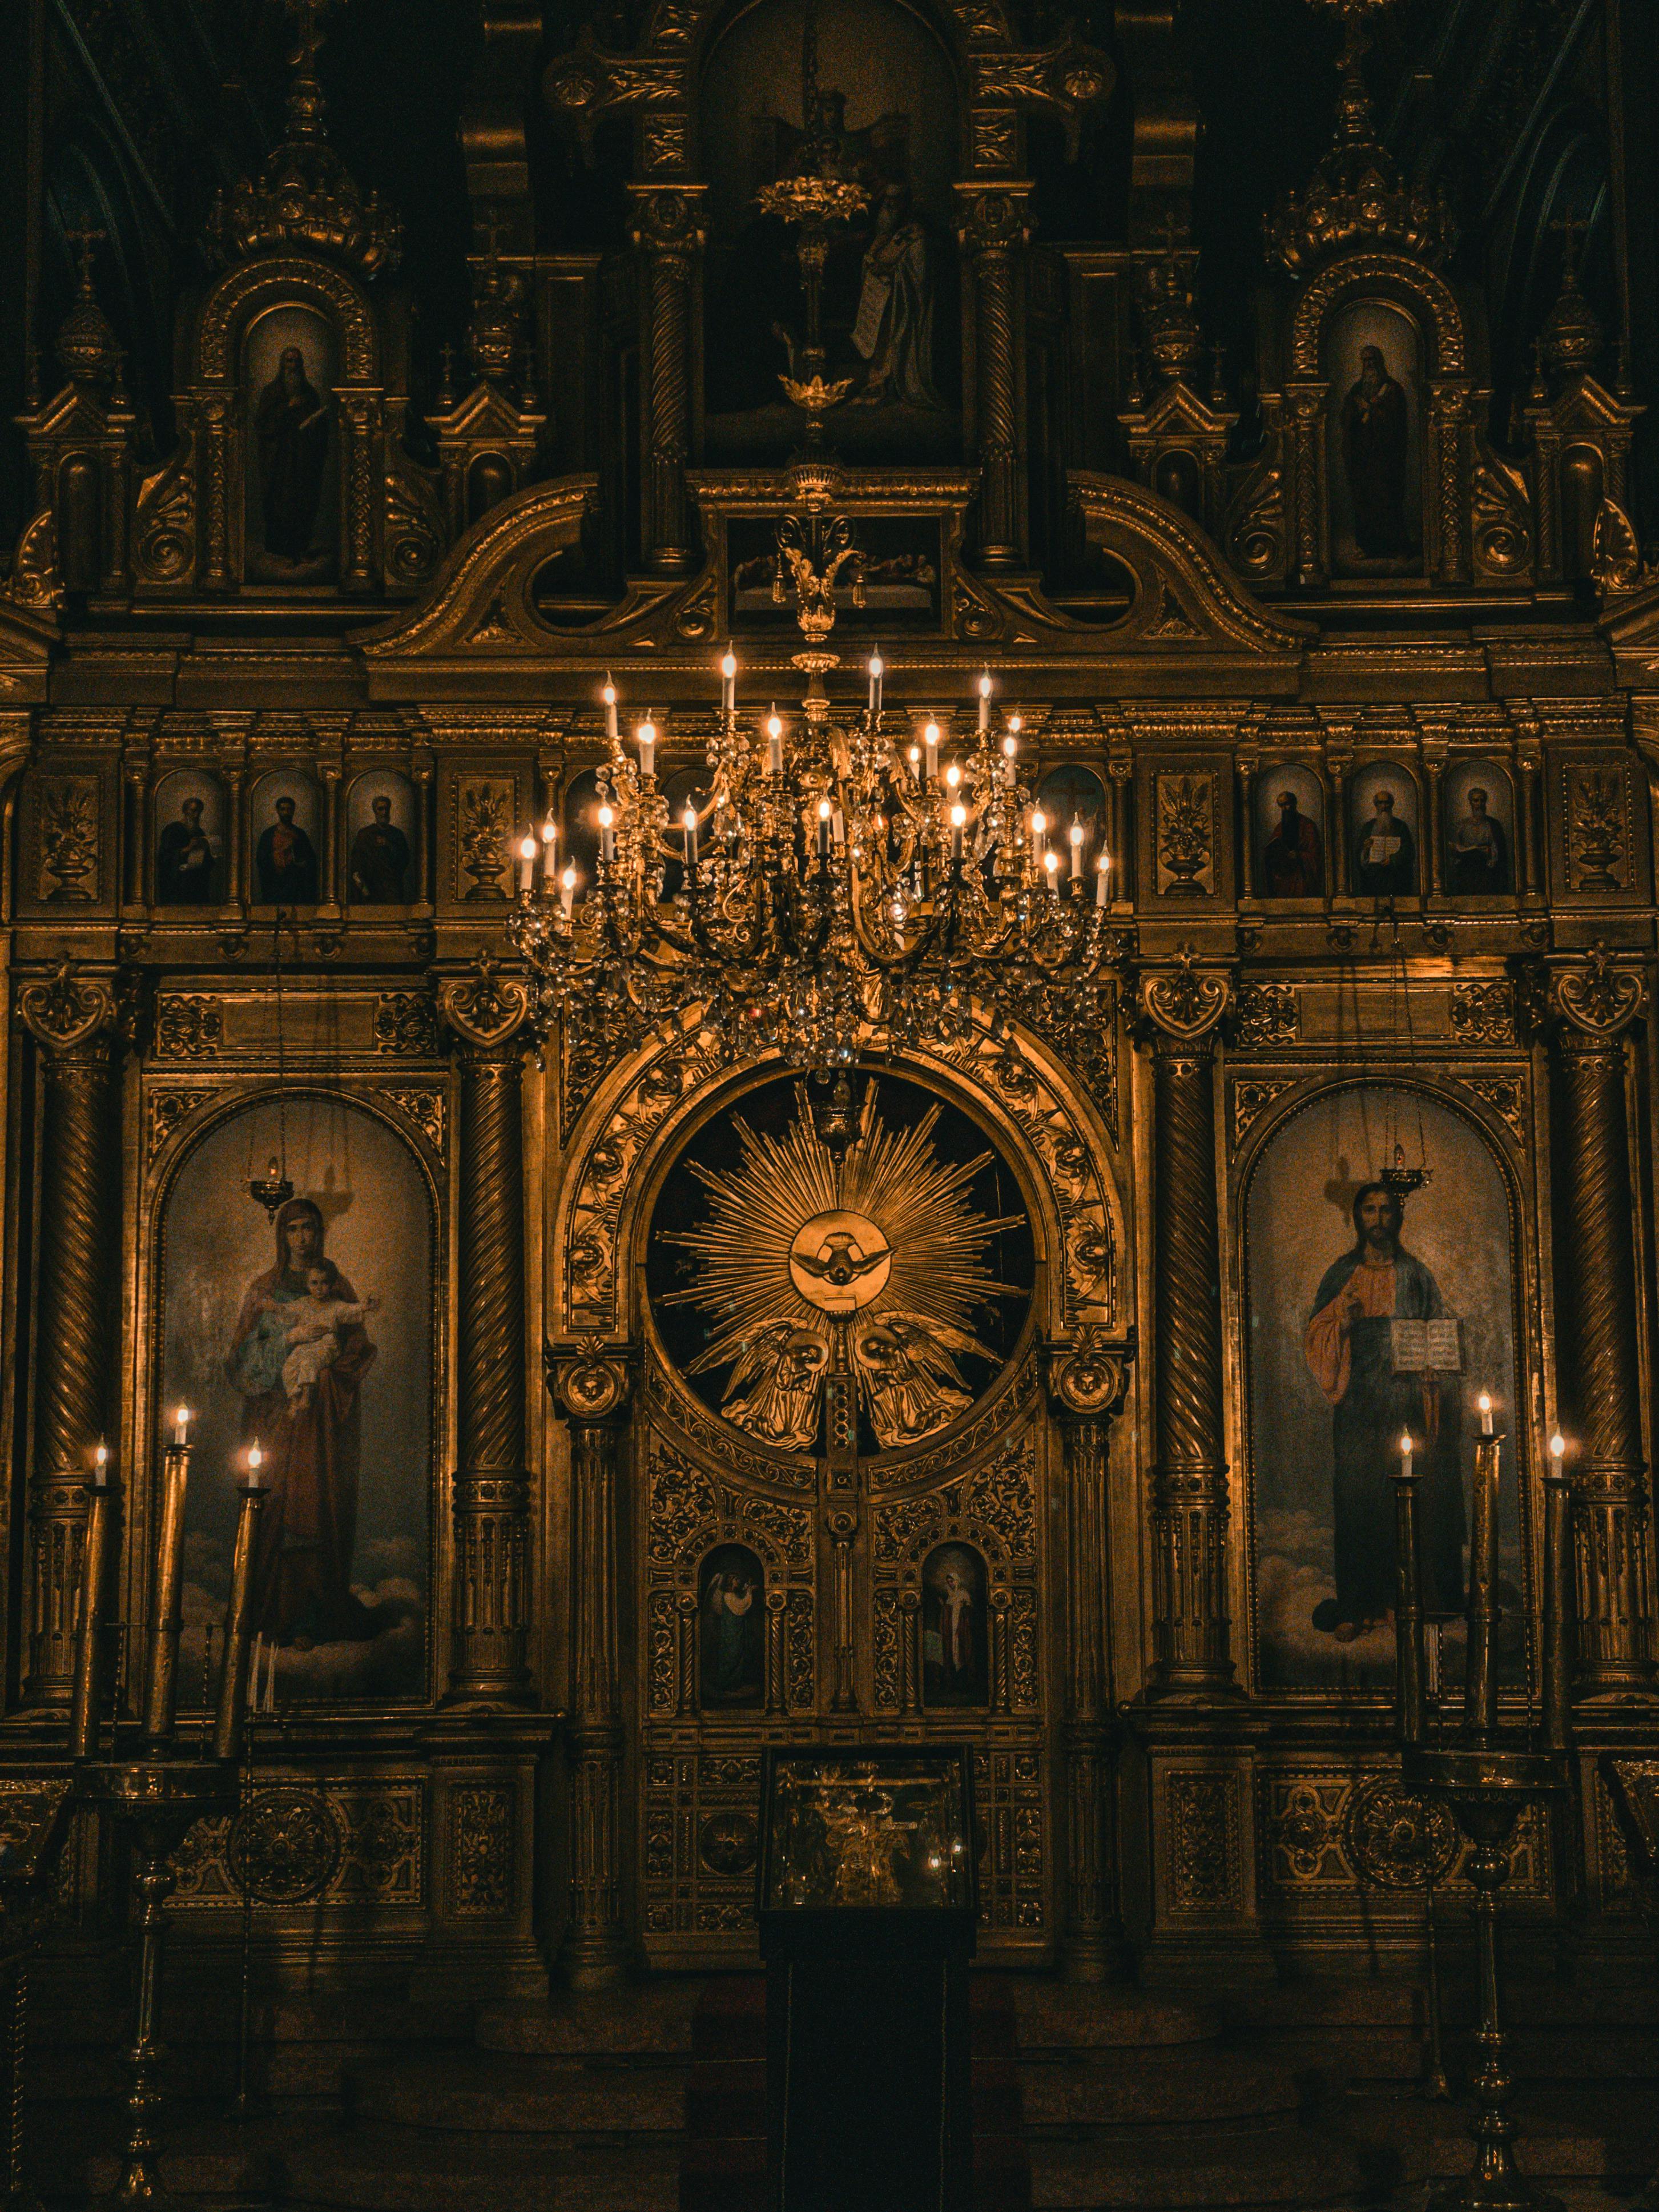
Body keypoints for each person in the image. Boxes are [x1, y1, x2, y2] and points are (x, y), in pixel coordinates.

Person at [1303, 1184, 1464, 1640]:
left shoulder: (1416, 1275)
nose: (1378, 1219)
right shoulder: (1342, 1273)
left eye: (1387, 1210)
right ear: (1358, 1218)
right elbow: (1317, 1335)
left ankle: (1410, 1602)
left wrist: (1435, 1363)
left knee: (1408, 1493)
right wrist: (1342, 1318)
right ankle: (1359, 1605)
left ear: (1398, 1217)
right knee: (1358, 1496)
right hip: (1358, 1404)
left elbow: (1437, 1331)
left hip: (1407, 1398)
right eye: (1370, 1210)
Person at [227, 1198, 377, 1647]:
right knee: (274, 1506)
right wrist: (288, 1342)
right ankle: (270, 1610)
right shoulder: (265, 1290)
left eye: (309, 1228)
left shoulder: (337, 1287)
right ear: (283, 1236)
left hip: (323, 1422)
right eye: (293, 1229)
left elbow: (357, 1349)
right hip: (275, 1417)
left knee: (319, 1506)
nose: (302, 1238)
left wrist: (329, 1375)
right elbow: (242, 1363)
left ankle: (315, 1614)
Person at [849, 186, 940, 409]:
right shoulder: (886, 234)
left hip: (902, 304)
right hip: (883, 299)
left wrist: (888, 270)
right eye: (887, 201)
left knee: (892, 339)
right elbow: (874, 259)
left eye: (895, 201)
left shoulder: (914, 234)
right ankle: (876, 382)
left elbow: (909, 270)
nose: (889, 206)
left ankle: (888, 383)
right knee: (879, 341)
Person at [256, 345, 331, 561]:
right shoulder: (271, 392)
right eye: (289, 361)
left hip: (304, 459)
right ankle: (279, 548)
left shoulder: (310, 393)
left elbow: (320, 429)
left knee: (303, 501)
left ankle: (300, 547)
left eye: (296, 361)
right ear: (282, 365)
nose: (293, 366)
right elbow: (263, 425)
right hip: (279, 460)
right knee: (281, 502)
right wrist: (288, 407)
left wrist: (314, 424)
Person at [1340, 342, 1411, 559]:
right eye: (1366, 361)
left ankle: (1394, 548)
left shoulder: (1393, 390)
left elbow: (1398, 422)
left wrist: (1376, 411)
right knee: (1365, 503)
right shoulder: (1357, 390)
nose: (1369, 366)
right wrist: (1358, 410)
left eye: (1373, 361)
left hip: (1386, 459)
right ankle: (1368, 548)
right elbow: (1345, 419)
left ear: (1379, 363)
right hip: (1363, 459)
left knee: (1388, 501)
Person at [277, 1262, 380, 1407]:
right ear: (307, 1284)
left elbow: (349, 1311)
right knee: (289, 1367)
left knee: (308, 1363)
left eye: (324, 1283)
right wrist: (275, 1308)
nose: (319, 1288)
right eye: (314, 1283)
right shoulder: (303, 1303)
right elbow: (288, 1311)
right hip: (306, 1345)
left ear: (331, 1284)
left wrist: (364, 1307)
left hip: (327, 1346)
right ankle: (294, 1401)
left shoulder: (335, 1305)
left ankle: (306, 1398)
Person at [702, 1559, 762, 1704]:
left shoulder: (735, 1595)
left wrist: (747, 1590)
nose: (738, 1583)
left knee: (739, 1657)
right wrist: (749, 1592)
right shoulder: (728, 1596)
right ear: (730, 1582)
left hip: (738, 1633)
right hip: (730, 1634)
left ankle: (734, 1684)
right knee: (730, 1657)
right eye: (736, 1580)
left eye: (738, 1580)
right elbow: (742, 1608)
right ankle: (726, 1685)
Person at [256, 794, 320, 904]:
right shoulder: (268, 835)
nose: (286, 813)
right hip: (275, 885)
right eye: (283, 809)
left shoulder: (300, 834)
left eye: (289, 809)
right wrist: (281, 852)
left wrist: (301, 864)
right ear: (278, 811)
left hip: (295, 885)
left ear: (293, 811)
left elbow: (310, 860)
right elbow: (262, 860)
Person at [1262, 787, 1324, 898]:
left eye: (1286, 804)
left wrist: (1299, 855)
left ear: (1294, 803)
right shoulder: (1279, 828)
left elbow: (1316, 855)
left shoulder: (1308, 826)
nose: (1284, 809)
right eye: (1281, 806)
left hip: (1301, 876)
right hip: (1283, 876)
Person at [349, 794, 412, 902]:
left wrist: (389, 845)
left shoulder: (397, 834)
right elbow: (357, 861)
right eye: (381, 809)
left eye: (386, 809)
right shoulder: (365, 835)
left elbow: (405, 858)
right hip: (370, 887)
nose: (384, 813)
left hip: (392, 888)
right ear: (375, 811)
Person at [1450, 785, 1509, 895]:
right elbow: (1456, 849)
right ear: (1471, 803)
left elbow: (1499, 850)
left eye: (1482, 801)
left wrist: (1490, 852)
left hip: (1487, 871)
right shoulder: (1462, 825)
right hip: (1467, 871)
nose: (1479, 804)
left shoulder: (1493, 824)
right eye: (1476, 801)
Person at [1355, 788, 1416, 896]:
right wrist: (1366, 849)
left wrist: (1392, 860)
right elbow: (1360, 856)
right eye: (1380, 803)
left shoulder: (1401, 826)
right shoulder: (1368, 827)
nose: (1384, 807)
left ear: (1391, 805)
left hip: (1396, 878)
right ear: (1376, 805)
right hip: (1373, 879)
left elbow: (1408, 850)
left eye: (1387, 803)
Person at [156, 796, 216, 903]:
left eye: (199, 812)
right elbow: (165, 856)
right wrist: (187, 849)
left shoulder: (199, 832)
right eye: (193, 811)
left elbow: (206, 860)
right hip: (178, 884)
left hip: (195, 882)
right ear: (185, 811)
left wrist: (210, 851)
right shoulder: (172, 829)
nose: (196, 815)